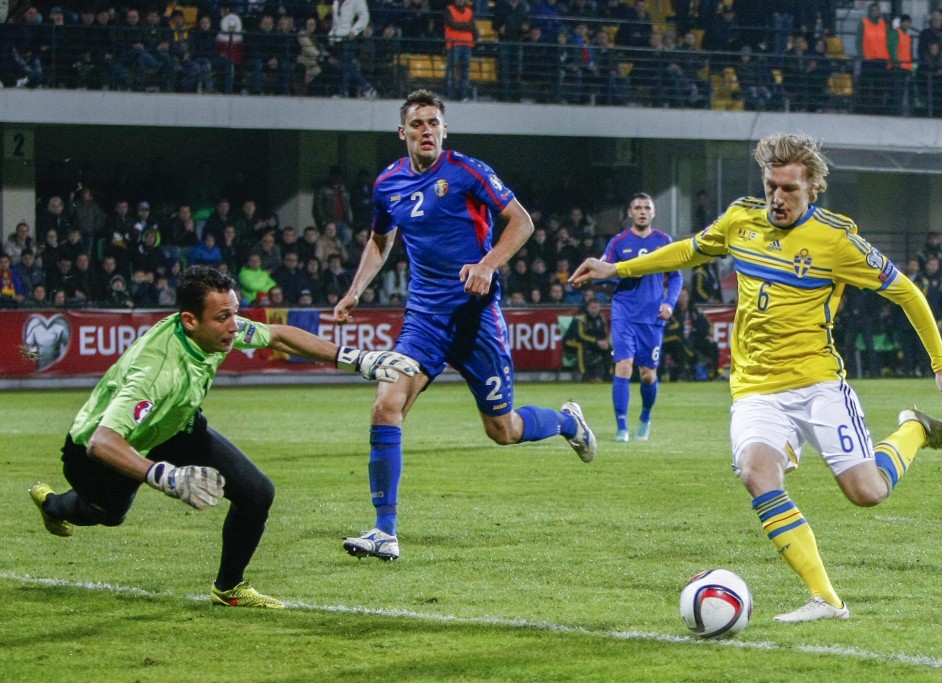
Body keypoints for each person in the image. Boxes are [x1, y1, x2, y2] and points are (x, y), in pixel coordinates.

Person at [570, 132, 942, 623]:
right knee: (756, 474)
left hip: (818, 382)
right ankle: (826, 599)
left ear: (811, 189)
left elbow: (906, 291)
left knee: (867, 492)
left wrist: (941, 363)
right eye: (771, 187)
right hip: (756, 387)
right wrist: (617, 267)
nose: (778, 199)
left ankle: (916, 429)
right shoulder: (741, 219)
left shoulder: (837, 239)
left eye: (789, 189)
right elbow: (688, 252)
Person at [28, 266, 419, 608]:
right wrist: (165, 476)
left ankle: (229, 587)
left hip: (174, 426)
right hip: (92, 452)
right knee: (108, 514)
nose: (235, 326)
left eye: (234, 313)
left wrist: (357, 359)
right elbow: (103, 440)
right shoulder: (158, 370)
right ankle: (53, 504)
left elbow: (277, 337)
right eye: (224, 317)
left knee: (257, 493)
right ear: (189, 321)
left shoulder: (215, 330)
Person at [333, 89, 596, 562]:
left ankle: (565, 422)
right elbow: (379, 240)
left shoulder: (466, 170)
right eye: (417, 124)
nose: (426, 130)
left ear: (444, 129)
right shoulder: (387, 185)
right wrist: (356, 291)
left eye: (433, 122)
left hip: (476, 320)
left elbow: (522, 222)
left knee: (503, 430)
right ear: (403, 132)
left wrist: (488, 264)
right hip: (424, 321)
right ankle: (384, 530)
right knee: (385, 404)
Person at [601, 193, 682, 442]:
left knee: (648, 373)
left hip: (651, 316)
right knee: (623, 365)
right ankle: (622, 427)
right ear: (630, 213)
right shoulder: (618, 242)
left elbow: (677, 276)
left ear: (653, 213)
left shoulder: (664, 241)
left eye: (647, 207)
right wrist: (624, 274)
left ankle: (645, 417)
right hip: (624, 312)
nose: (642, 211)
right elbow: (605, 272)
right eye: (637, 207)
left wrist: (669, 303)